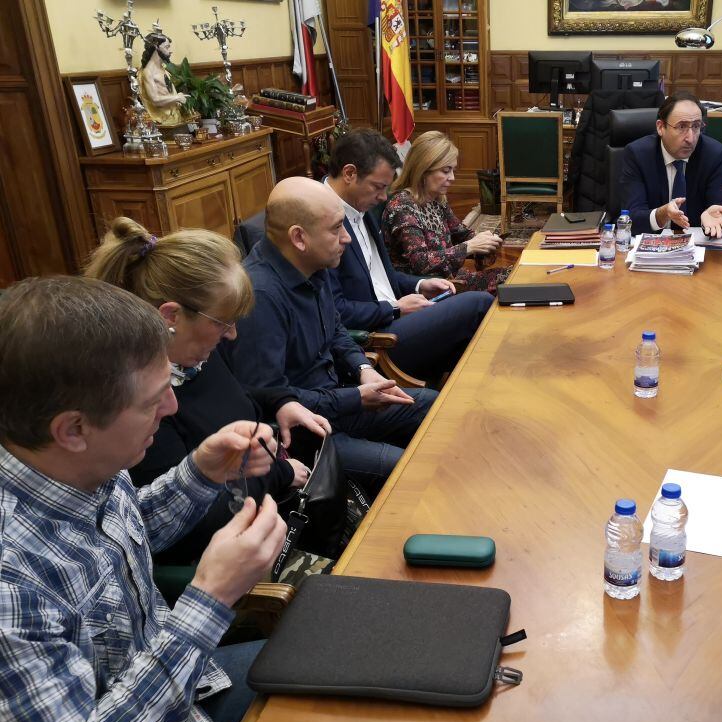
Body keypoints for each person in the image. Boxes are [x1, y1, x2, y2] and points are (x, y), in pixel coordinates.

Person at [0, 276, 286, 722]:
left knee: (314, 674)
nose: (174, 408)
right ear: (73, 429)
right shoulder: (9, 577)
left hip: (169, 698)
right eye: (154, 399)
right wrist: (210, 600)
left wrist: (200, 473)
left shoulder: (83, 465)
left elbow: (120, 545)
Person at [84, 217, 331, 566]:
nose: (231, 336)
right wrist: (280, 475)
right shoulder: (140, 404)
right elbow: (189, 527)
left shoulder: (191, 356)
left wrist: (279, 401)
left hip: (266, 504)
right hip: (232, 551)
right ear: (172, 316)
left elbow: (229, 399)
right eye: (223, 323)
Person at [221, 175, 437, 489]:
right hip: (305, 435)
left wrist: (363, 370)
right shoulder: (261, 297)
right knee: (407, 471)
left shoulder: (313, 264)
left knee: (435, 409)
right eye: (336, 228)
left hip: (342, 401)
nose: (347, 238)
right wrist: (354, 398)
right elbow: (268, 397)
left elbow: (336, 329)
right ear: (299, 238)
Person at [324, 128, 494, 383]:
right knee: (478, 303)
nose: (384, 197)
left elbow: (382, 276)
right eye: (379, 187)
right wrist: (393, 308)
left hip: (397, 316)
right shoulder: (321, 218)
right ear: (349, 174)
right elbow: (334, 312)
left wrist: (419, 284)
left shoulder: (361, 206)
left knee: (470, 338)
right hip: (376, 340)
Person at [382, 129, 507, 293]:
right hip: (428, 292)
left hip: (450, 279)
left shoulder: (436, 199)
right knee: (507, 286)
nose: (452, 178)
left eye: (452, 170)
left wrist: (485, 241)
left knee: (513, 277)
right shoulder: (402, 206)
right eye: (446, 171)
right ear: (423, 170)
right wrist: (468, 247)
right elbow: (420, 262)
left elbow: (461, 233)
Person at [620, 90, 722, 236]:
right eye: (681, 127)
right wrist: (661, 214)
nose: (691, 138)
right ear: (661, 127)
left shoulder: (714, 155)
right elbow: (631, 219)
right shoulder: (638, 155)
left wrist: (716, 218)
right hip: (651, 247)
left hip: (697, 247)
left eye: (696, 126)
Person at [139, 29, 189, 128]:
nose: (170, 51)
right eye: (167, 47)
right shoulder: (148, 72)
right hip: (163, 121)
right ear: (156, 47)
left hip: (175, 117)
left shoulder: (163, 68)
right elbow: (155, 100)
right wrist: (177, 97)